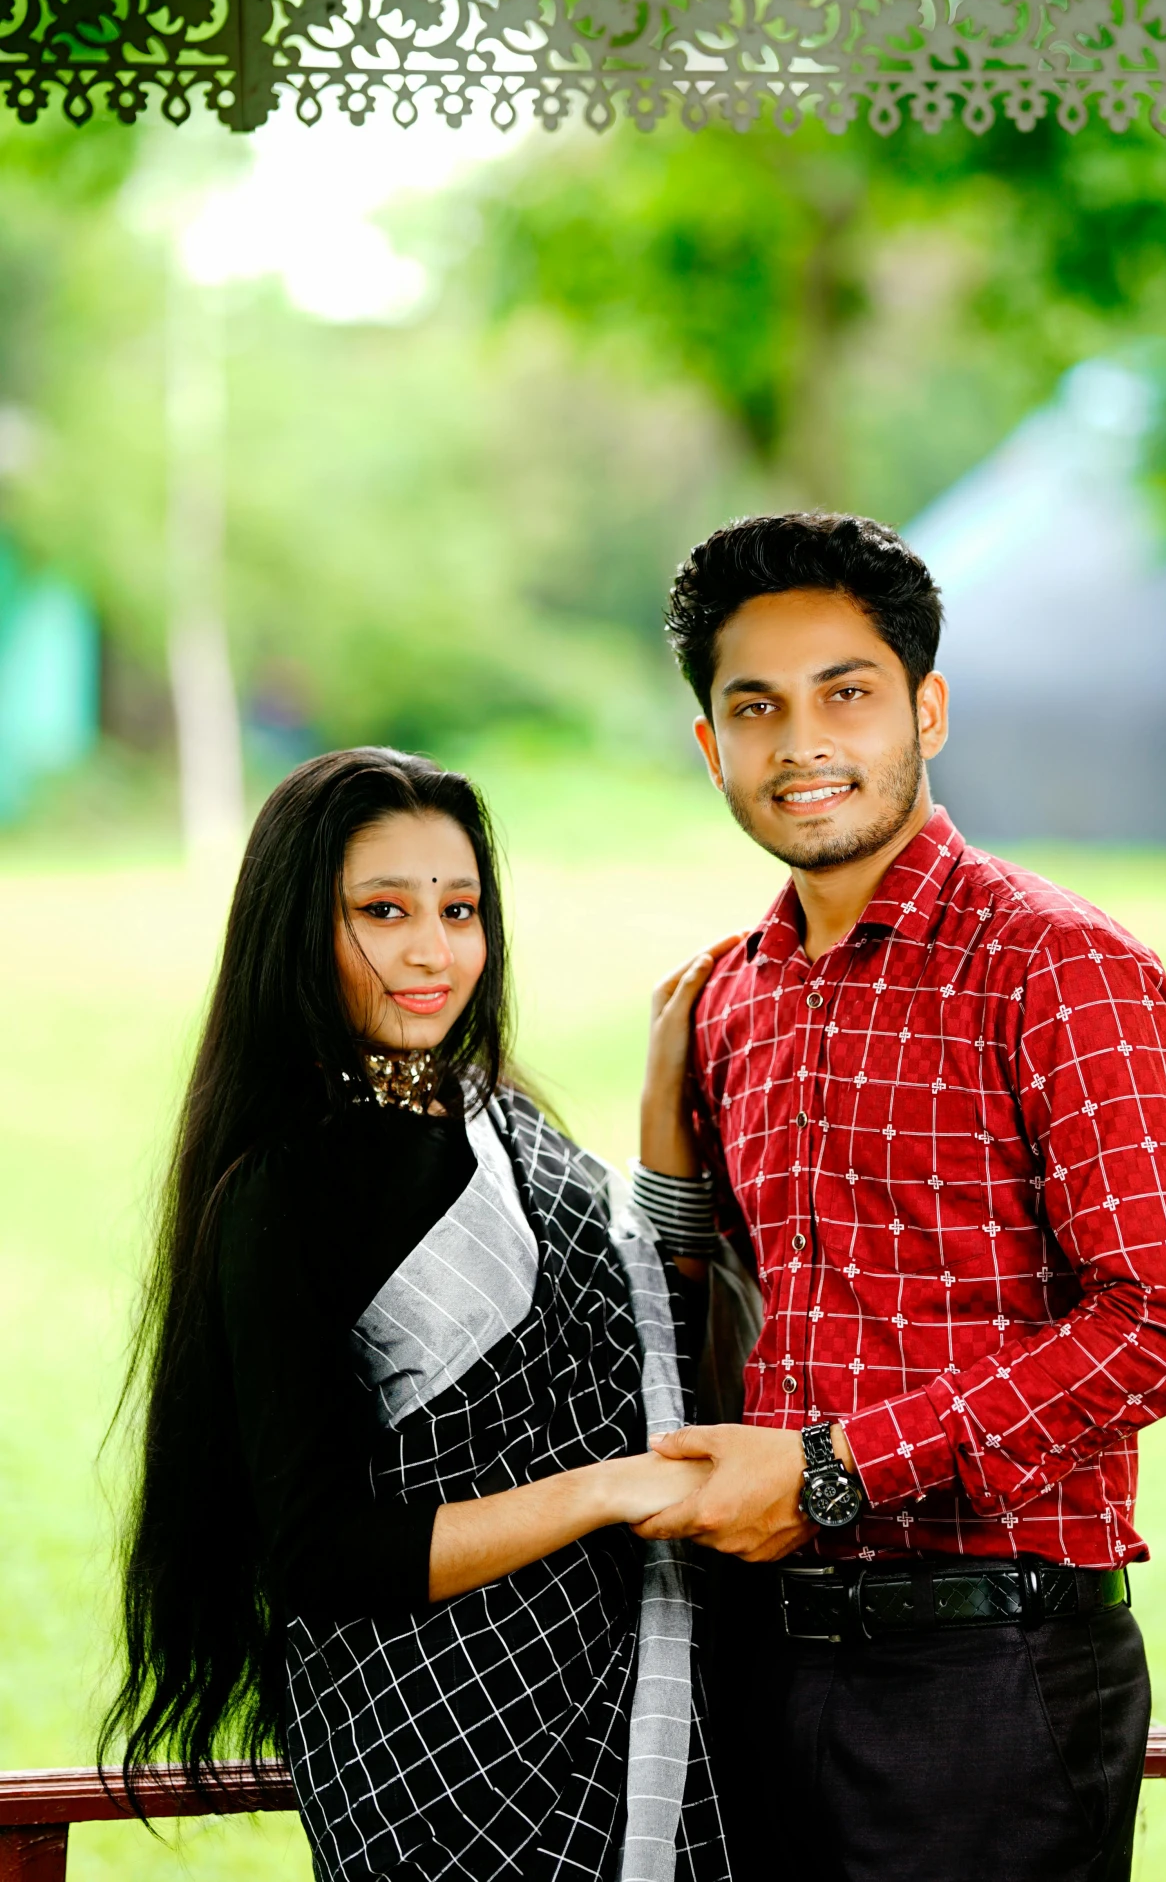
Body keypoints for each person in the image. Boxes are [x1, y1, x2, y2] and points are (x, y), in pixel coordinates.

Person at [635, 512, 1166, 1882]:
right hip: (756, 1662)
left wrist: (837, 1472)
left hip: (985, 1672)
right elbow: (718, 1310)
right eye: (755, 706)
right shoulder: (732, 995)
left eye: (844, 692)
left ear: (927, 707)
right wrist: (664, 1133)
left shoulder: (1054, 965)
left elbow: (1165, 1321)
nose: (801, 744)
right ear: (708, 743)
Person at [101, 746, 732, 1882]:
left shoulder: (501, 1117)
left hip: (603, 1690)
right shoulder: (283, 1191)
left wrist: (660, 1099)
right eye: (381, 911)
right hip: (425, 1745)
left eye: (460, 908)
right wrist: (597, 1491)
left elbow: (653, 1337)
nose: (432, 951)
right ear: (297, 927)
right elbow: (321, 1555)